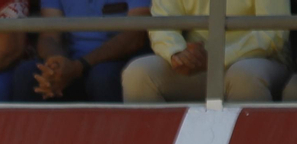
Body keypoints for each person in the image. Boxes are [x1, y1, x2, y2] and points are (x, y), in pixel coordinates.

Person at [121, 0, 291, 103]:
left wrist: (218, 58)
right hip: (199, 63)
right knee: (138, 74)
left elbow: (273, 32)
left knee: (243, 76)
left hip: (259, 60)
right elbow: (162, 24)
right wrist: (177, 54)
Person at [10, 0, 149, 102]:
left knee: (102, 78)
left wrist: (79, 66)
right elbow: (49, 36)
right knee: (27, 75)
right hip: (71, 62)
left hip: (116, 60)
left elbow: (134, 36)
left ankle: (112, 133)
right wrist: (57, 64)